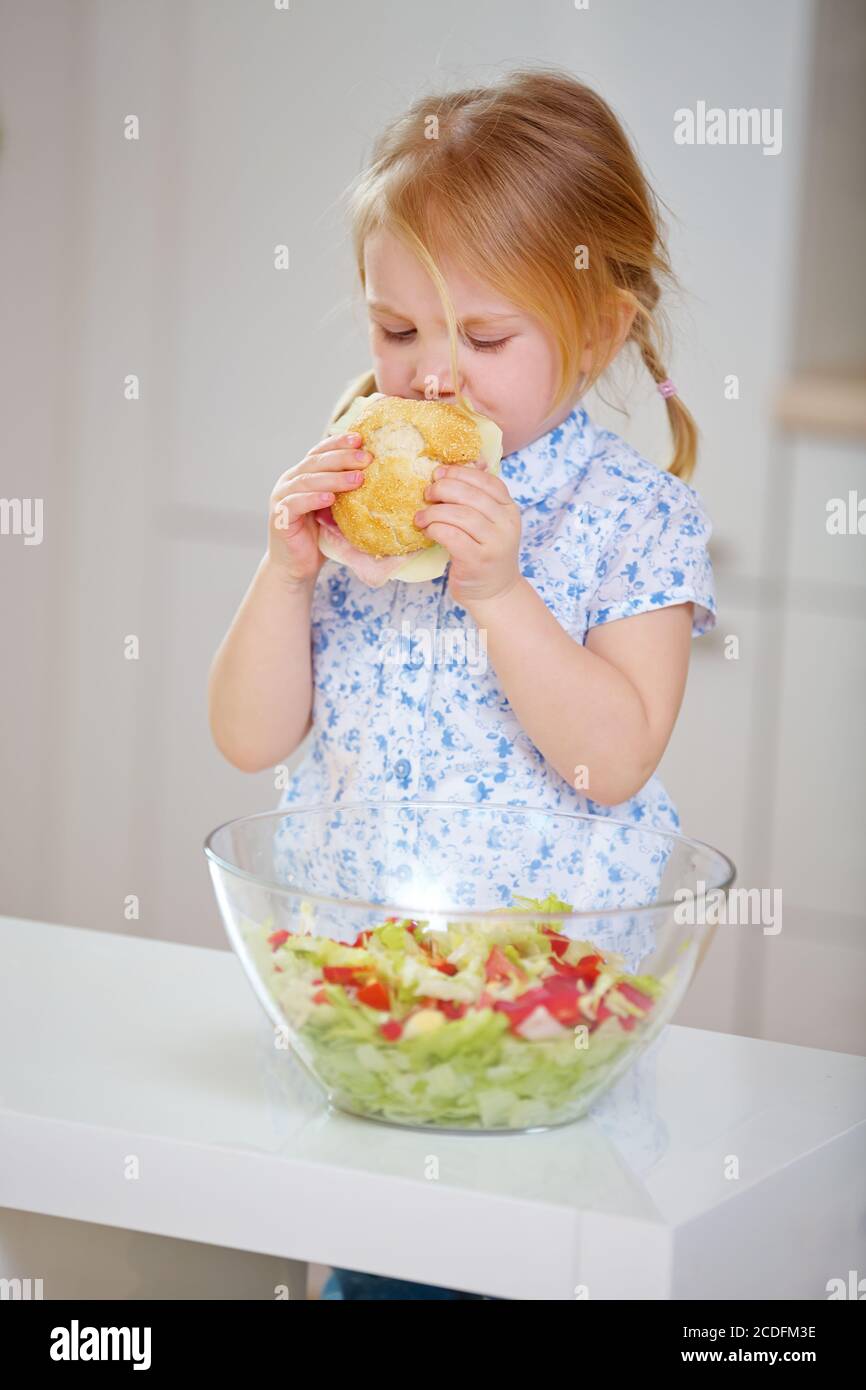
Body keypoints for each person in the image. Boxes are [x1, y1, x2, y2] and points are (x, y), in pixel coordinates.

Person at [208, 66, 717, 1300]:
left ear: (597, 330)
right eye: (396, 333)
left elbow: (612, 759)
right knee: (379, 1272)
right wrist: (283, 574)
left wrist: (499, 591)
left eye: (483, 337)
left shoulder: (632, 518)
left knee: (531, 1264)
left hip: (551, 1014)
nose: (431, 377)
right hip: (361, 996)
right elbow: (244, 735)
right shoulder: (356, 491)